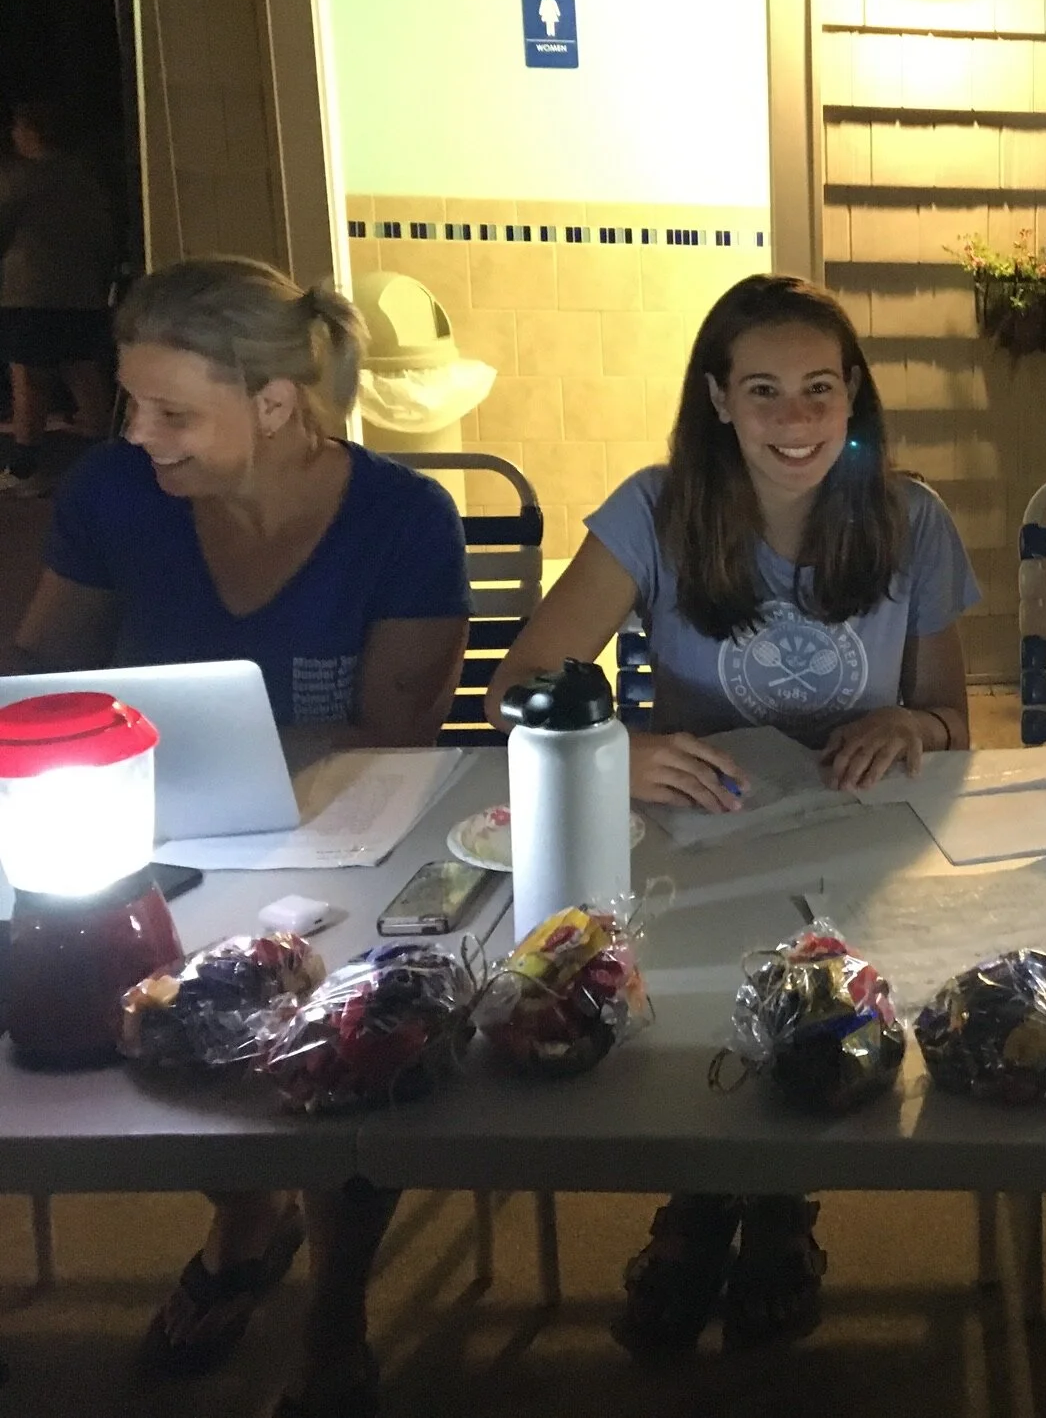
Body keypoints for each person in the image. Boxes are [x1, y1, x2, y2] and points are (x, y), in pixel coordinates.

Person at [4, 255, 470, 1418]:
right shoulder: (115, 496)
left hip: (353, 843)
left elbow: (397, 739)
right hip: (153, 834)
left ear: (274, 404)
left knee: (350, 1025)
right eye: (129, 402)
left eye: (171, 411)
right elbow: (42, 673)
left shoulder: (403, 522)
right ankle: (244, 1222)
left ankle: (337, 1303)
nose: (137, 434)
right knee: (129, 1001)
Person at [485, 273, 979, 1354]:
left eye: (818, 389)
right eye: (763, 390)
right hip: (702, 837)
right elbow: (514, 683)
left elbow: (954, 719)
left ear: (854, 397)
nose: (794, 420)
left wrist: (915, 726)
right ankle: (707, 1199)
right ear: (718, 398)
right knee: (694, 1019)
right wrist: (618, 746)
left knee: (831, 1024)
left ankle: (776, 1203)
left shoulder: (915, 519)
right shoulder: (655, 510)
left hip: (864, 843)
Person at [0, 97, 119, 494]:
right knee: (84, 373)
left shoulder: (21, 179)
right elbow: (104, 237)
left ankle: (26, 467)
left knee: (28, 377)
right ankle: (110, 462)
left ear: (31, 131)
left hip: (31, 294)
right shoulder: (86, 179)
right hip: (82, 294)